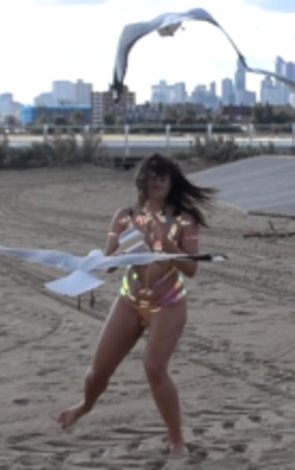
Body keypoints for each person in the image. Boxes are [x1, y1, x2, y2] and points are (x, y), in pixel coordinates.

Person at [57, 153, 216, 458]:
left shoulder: (184, 219)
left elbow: (191, 269)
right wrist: (111, 254)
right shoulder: (124, 216)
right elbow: (110, 264)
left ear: (172, 182)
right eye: (152, 175)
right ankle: (85, 405)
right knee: (98, 371)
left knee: (154, 368)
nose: (157, 181)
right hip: (129, 299)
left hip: (168, 302)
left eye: (163, 176)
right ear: (140, 180)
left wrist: (165, 243)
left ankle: (176, 440)